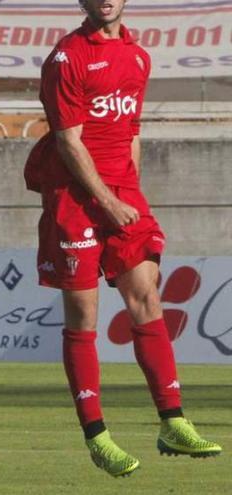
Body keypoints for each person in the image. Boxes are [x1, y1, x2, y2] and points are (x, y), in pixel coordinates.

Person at [24, 0, 222, 477]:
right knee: (83, 316)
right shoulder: (66, 58)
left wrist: (129, 190)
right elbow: (69, 142)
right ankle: (97, 434)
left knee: (146, 297)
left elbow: (132, 130)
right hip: (75, 199)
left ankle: (172, 420)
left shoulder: (137, 56)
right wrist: (107, 202)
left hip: (123, 192)